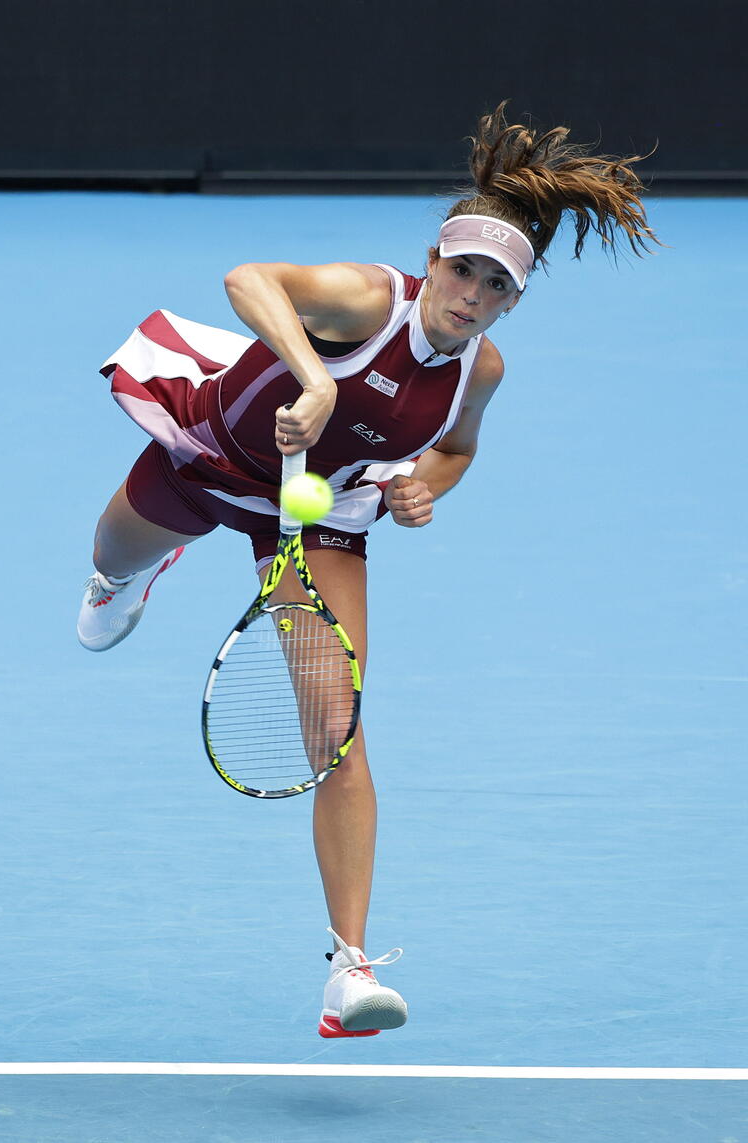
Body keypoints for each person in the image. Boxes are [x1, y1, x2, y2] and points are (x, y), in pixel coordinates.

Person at [77, 103, 659, 1038]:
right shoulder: (364, 298)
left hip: (316, 514)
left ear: (514, 300)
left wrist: (419, 488)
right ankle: (128, 576)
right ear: (434, 262)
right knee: (108, 555)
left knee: (338, 724)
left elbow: (455, 450)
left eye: (495, 285)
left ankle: (349, 969)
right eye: (462, 269)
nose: (470, 294)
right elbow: (248, 278)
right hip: (215, 454)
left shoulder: (483, 371)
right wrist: (314, 376)